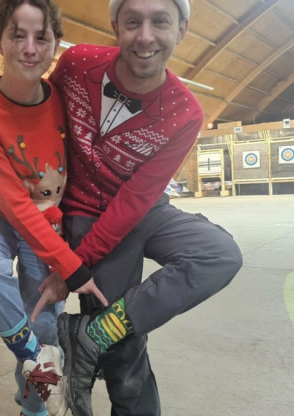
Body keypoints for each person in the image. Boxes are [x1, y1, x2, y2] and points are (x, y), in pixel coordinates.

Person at [32, 0, 244, 415]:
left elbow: (136, 200)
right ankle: (106, 337)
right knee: (125, 354)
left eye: (160, 22)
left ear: (181, 29)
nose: (145, 37)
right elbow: (42, 116)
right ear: (116, 27)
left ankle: (93, 334)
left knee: (219, 253)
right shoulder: (78, 64)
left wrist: (75, 267)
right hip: (85, 211)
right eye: (133, 22)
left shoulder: (185, 111)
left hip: (142, 207)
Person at [0, 1, 107, 416]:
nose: (29, 48)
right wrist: (71, 266)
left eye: (42, 37)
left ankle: (35, 407)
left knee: (43, 322)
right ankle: (34, 357)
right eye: (17, 35)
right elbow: (12, 201)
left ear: (55, 43)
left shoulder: (63, 100)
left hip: (48, 219)